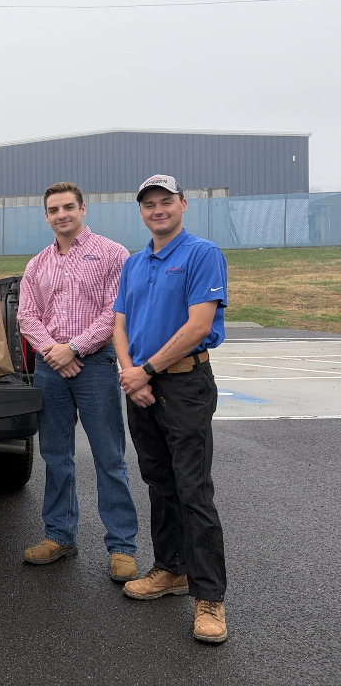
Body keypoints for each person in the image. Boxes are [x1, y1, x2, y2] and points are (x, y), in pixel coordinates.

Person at [113, 174, 229, 644]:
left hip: (184, 385)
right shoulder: (135, 263)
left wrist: (148, 371)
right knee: (159, 483)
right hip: (141, 387)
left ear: (182, 204)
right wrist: (130, 374)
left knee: (193, 491)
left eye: (165, 202)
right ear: (140, 211)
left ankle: (210, 598)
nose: (157, 209)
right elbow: (118, 323)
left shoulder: (201, 254)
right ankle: (170, 570)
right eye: (148, 204)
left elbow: (199, 325)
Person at [18, 182, 139, 582]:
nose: (61, 215)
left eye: (68, 207)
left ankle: (121, 546)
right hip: (51, 369)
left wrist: (75, 348)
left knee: (109, 456)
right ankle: (59, 535)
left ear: (83, 209)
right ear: (46, 216)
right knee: (56, 455)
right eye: (54, 210)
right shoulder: (37, 264)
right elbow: (27, 316)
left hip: (97, 366)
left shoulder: (111, 254)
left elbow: (116, 311)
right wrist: (55, 351)